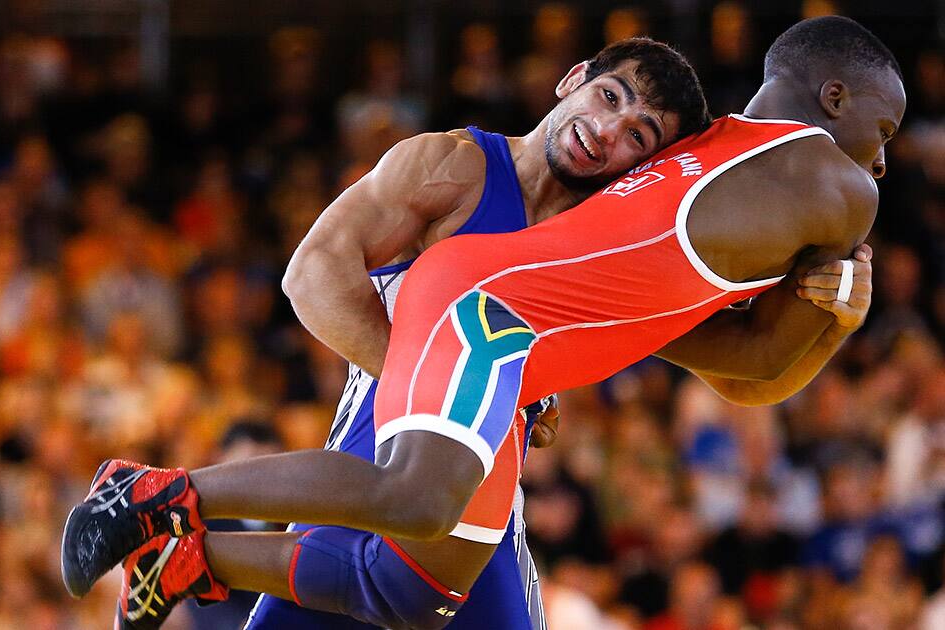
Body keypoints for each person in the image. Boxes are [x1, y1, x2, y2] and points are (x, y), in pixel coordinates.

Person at [66, 17, 895, 630]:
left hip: (488, 381)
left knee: (413, 591)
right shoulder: (455, 163)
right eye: (608, 98)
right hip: (422, 388)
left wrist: (831, 323)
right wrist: (443, 385)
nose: (607, 132)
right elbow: (310, 272)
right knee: (412, 506)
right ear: (571, 78)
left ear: (654, 163)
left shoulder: (621, 212)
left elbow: (734, 365)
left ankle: (186, 554)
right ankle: (156, 497)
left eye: (636, 135)